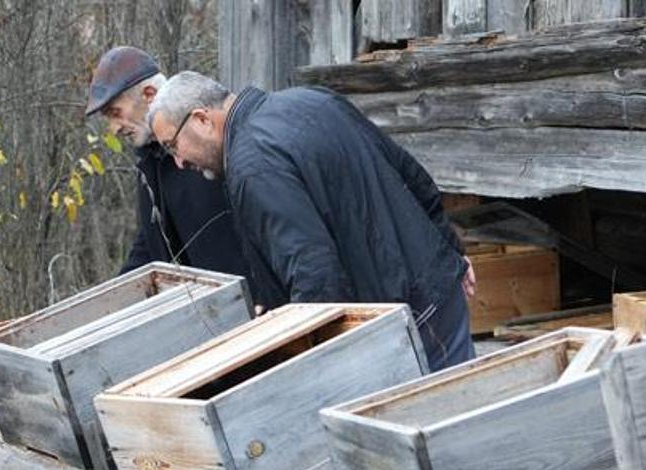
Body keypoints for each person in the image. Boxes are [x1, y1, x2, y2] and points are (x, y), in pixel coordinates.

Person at [146, 72, 475, 372]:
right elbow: (413, 175)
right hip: (436, 295)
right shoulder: (312, 100)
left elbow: (314, 274)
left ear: (202, 119)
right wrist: (451, 250)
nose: (178, 161)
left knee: (452, 430)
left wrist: (310, 364)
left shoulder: (252, 166)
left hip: (402, 323)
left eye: (173, 145)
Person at [85, 48, 274, 305]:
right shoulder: (151, 160)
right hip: (216, 310)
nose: (114, 128)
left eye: (116, 113)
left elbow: (264, 228)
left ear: (149, 95)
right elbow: (151, 245)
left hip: (260, 307)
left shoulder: (210, 146)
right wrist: (108, 304)